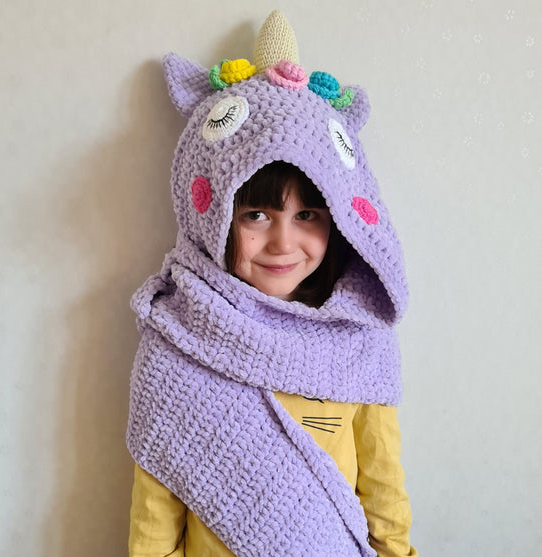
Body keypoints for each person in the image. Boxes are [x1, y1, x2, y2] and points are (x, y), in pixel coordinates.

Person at [126, 10, 418, 557]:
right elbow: (154, 521)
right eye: (257, 215)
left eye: (307, 215)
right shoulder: (177, 339)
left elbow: (384, 497)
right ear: (216, 217)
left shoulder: (359, 341)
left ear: (339, 222)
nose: (283, 242)